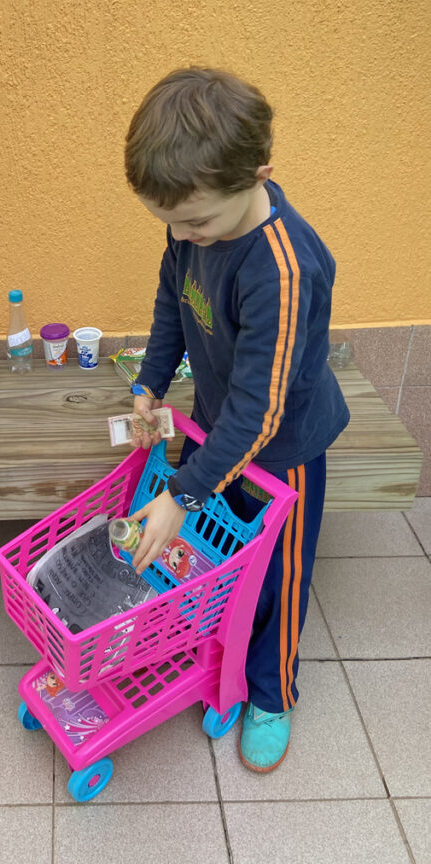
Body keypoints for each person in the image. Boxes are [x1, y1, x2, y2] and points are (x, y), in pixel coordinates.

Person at [124, 67, 349, 772]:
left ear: (258, 177)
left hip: (283, 450)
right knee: (218, 553)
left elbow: (261, 410)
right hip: (219, 425)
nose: (184, 236)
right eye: (170, 224)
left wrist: (183, 494)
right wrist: (150, 382)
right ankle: (214, 639)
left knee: (280, 574)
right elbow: (173, 305)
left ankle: (272, 693)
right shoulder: (192, 229)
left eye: (197, 222)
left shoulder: (281, 270)